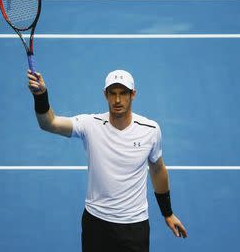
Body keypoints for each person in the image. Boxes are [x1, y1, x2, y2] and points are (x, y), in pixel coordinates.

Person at [27, 69, 188, 252]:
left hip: (134, 226)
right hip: (96, 223)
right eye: (112, 94)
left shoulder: (150, 130)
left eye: (123, 94)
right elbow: (49, 123)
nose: (117, 100)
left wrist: (167, 213)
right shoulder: (90, 124)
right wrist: (41, 96)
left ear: (132, 95)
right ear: (105, 95)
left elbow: (158, 170)